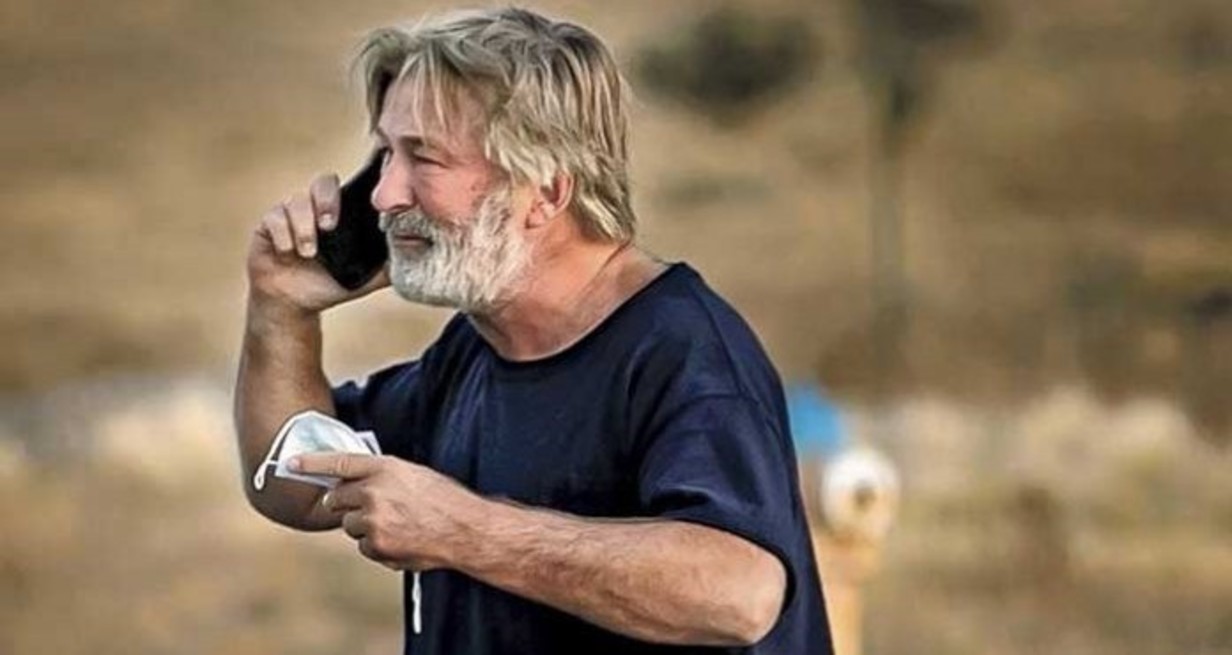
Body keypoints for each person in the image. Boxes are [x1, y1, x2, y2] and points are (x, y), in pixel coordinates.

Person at [234, 7, 834, 654]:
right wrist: (280, 308)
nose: (384, 196)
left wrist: (463, 531)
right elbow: (292, 485)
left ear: (545, 192)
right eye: (386, 156)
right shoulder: (473, 349)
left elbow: (739, 591)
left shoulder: (684, 351)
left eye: (423, 158)